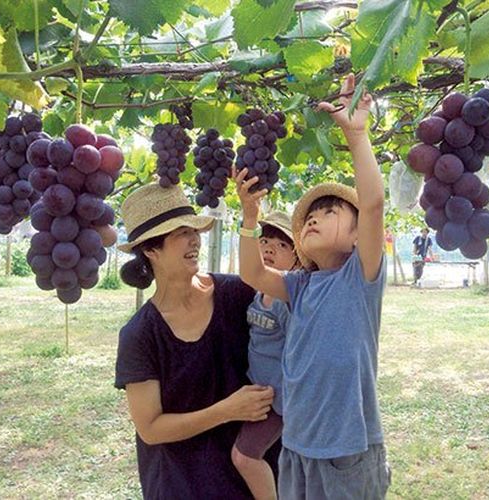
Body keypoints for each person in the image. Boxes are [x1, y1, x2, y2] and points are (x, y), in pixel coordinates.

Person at [234, 73, 391, 499]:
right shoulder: (301, 286)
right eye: (309, 217)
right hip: (297, 447)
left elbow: (373, 204)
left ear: (359, 235)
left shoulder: (360, 278)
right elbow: (253, 275)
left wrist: (356, 134)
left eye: (329, 211)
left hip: (347, 454)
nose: (313, 218)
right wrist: (249, 219)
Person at [114, 183, 279, 499]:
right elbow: (150, 428)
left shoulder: (237, 294)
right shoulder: (140, 334)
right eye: (179, 233)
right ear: (151, 249)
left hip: (253, 478)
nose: (194, 239)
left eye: (194, 229)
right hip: (183, 484)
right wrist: (227, 410)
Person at [232, 211, 298, 500]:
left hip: (278, 400)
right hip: (259, 394)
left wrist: (287, 406)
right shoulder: (259, 294)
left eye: (282, 245)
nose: (270, 248)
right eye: (266, 240)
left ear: (297, 258)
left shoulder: (287, 300)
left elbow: (298, 354)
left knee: (244, 456)